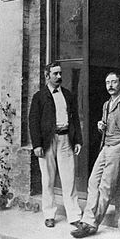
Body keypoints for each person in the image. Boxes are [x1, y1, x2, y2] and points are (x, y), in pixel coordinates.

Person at [71, 71, 120, 238]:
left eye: (114, 82)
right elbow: (111, 126)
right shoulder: (106, 105)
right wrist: (102, 126)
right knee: (92, 181)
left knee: (105, 186)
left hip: (119, 149)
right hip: (105, 147)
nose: (110, 86)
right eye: (107, 83)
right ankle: (87, 219)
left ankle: (91, 224)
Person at [29, 62, 83, 228]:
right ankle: (49, 214)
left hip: (65, 138)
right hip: (47, 142)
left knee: (69, 179)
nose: (59, 77)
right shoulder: (39, 97)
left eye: (60, 73)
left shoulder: (68, 95)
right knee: (48, 180)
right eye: (55, 74)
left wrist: (78, 140)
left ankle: (74, 216)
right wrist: (37, 144)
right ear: (47, 76)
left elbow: (75, 119)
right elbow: (33, 122)